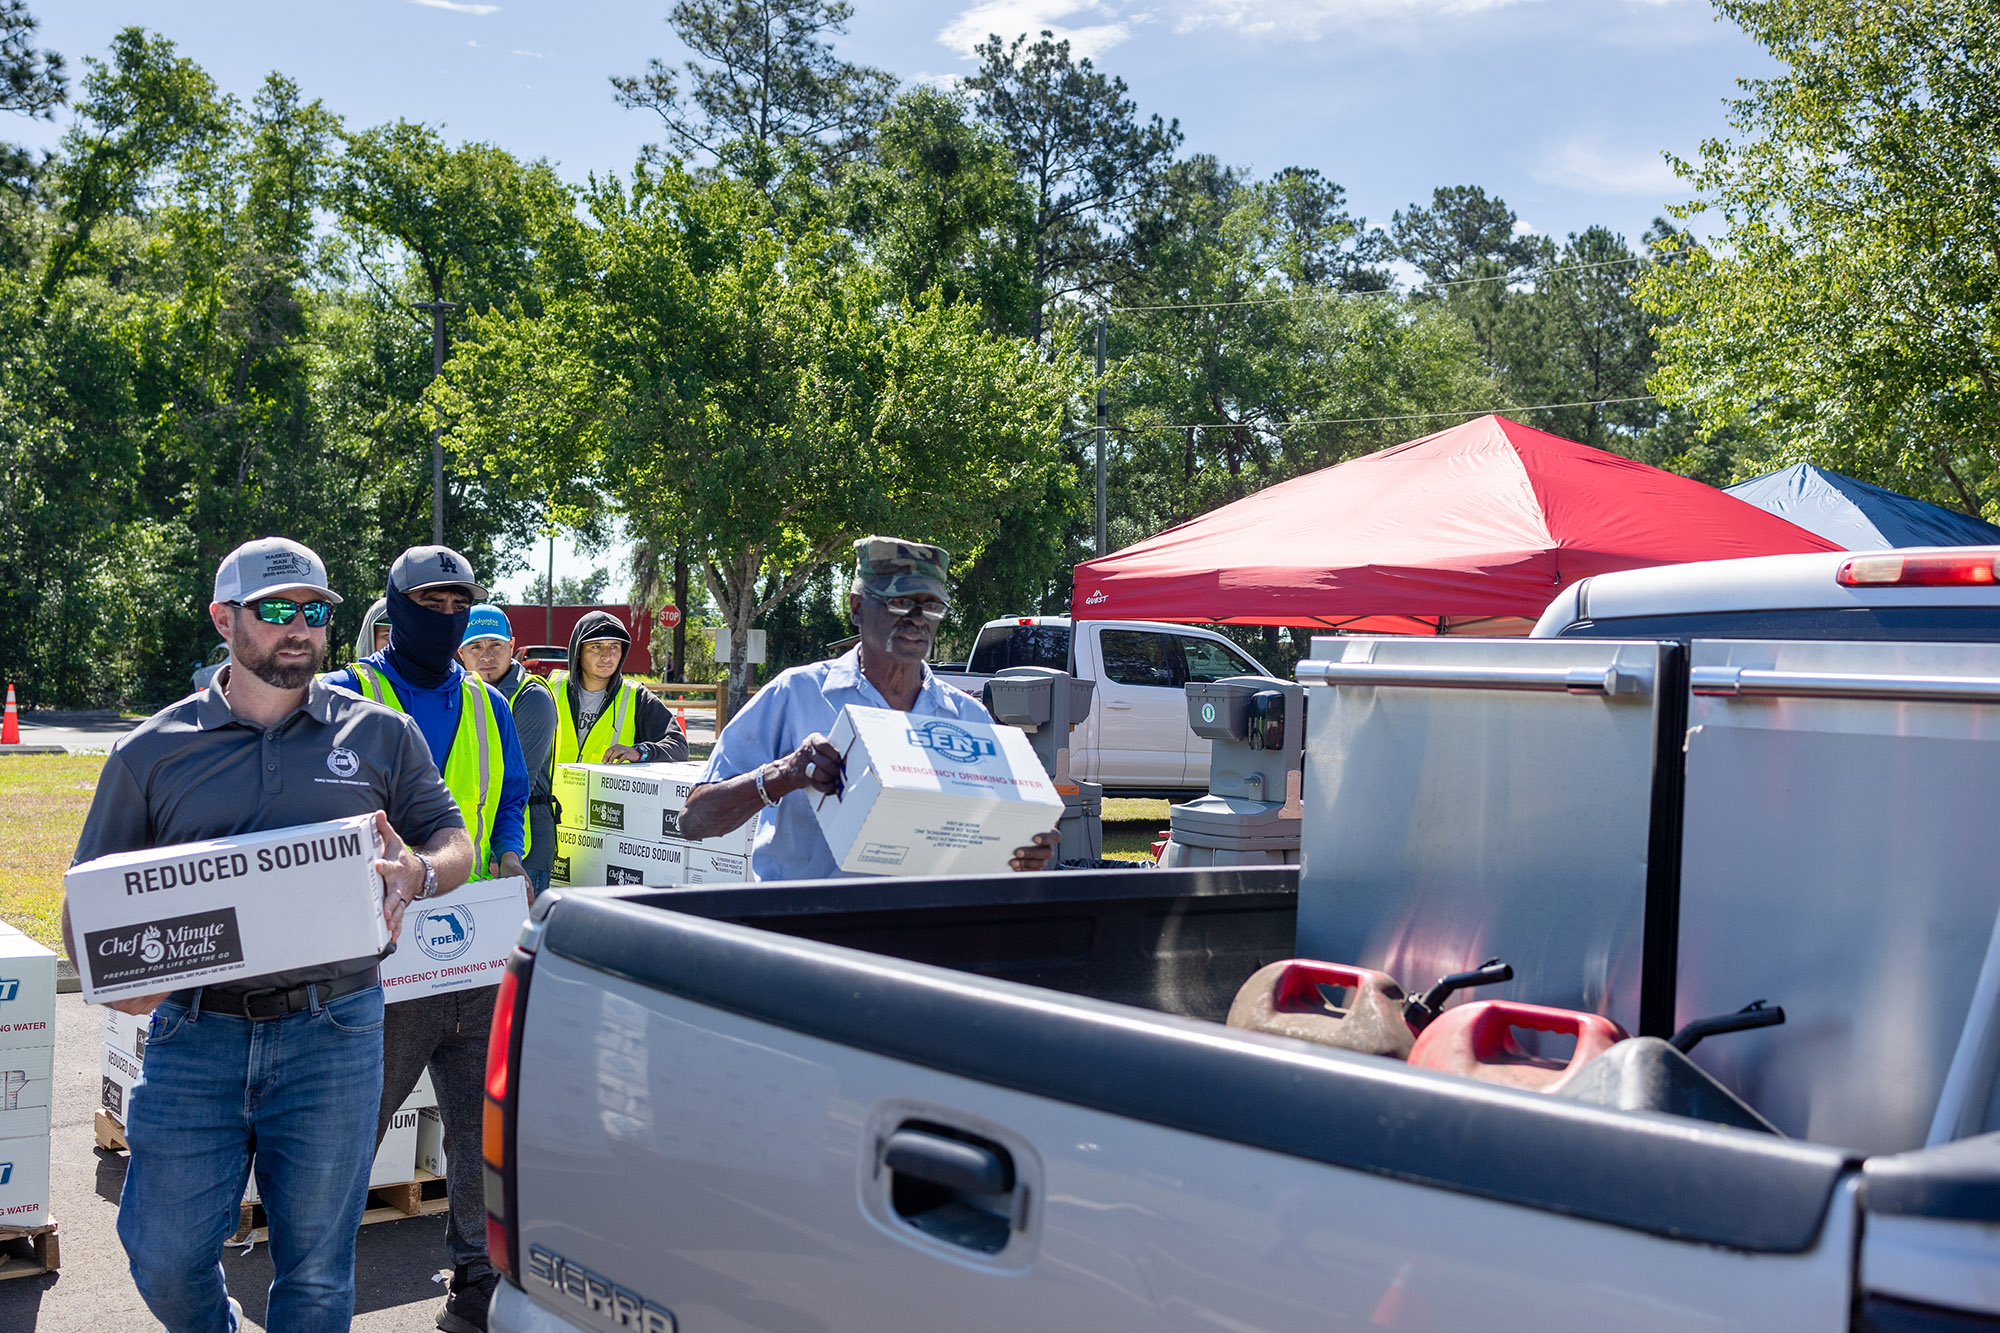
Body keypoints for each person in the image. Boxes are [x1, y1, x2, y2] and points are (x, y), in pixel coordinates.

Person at [67, 536, 473, 1333]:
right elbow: (90, 907)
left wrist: (418, 873)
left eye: (316, 611)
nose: (301, 627)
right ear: (225, 619)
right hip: (196, 1029)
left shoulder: (380, 735)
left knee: (317, 1271)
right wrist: (115, 975)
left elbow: (450, 838)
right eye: (277, 610)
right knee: (164, 1252)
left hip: (336, 1027)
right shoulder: (150, 753)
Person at [321, 547, 529, 1333]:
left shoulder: (488, 704)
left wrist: (512, 855)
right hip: (381, 949)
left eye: (458, 603)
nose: (444, 616)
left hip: (473, 942)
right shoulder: (346, 693)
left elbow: (508, 797)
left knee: (480, 1125)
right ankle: (315, 1271)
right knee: (355, 1118)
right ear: (394, 606)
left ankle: (476, 1276)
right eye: (427, 602)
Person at [678, 536, 1058, 882]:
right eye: (900, 601)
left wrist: (1021, 849)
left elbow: (984, 846)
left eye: (931, 606)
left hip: (919, 939)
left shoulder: (966, 719)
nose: (917, 618)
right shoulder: (797, 694)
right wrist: (787, 772)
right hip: (807, 935)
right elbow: (694, 820)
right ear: (857, 607)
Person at [457, 604, 558, 897]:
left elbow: (514, 781)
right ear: (460, 652)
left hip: (522, 852)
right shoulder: (459, 694)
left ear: (512, 646)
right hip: (476, 845)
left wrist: (501, 852)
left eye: (496, 645)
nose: (486, 656)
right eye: (475, 646)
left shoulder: (532, 697)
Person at [550, 610, 688, 764]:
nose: (606, 655)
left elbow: (679, 747)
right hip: (551, 789)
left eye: (614, 646)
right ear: (578, 651)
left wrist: (640, 752)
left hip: (603, 789)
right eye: (596, 646)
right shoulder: (549, 689)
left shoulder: (636, 697)